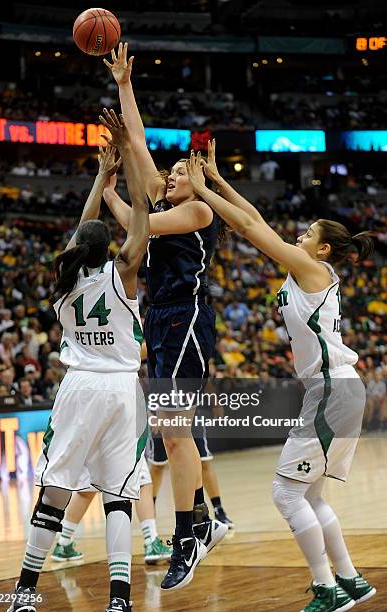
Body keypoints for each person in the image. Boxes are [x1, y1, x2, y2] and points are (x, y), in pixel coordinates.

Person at [185, 141, 376, 612]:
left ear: (323, 248)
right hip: (337, 389)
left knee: (285, 492)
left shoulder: (310, 267)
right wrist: (215, 177)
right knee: (308, 493)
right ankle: (350, 581)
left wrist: (201, 191)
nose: (299, 234)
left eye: (308, 232)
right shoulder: (307, 267)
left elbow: (250, 226)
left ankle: (326, 588)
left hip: (332, 389)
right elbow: (253, 215)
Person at [7, 112, 149, 612]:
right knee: (117, 496)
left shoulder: (63, 282)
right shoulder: (123, 275)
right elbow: (143, 216)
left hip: (79, 386)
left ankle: (24, 594)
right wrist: (130, 157)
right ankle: (120, 599)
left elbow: (77, 237)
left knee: (56, 490)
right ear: (107, 247)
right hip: (119, 391)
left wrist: (97, 180)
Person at [102, 43, 227, 591]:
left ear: (197, 181)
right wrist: (124, 84)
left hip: (187, 316)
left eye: (180, 170)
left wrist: (130, 185)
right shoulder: (159, 204)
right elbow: (137, 144)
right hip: (161, 319)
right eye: (170, 171)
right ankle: (200, 522)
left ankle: (188, 535)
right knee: (173, 434)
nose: (170, 175)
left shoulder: (199, 210)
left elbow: (142, 227)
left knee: (174, 434)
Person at [51, 457, 172, 565]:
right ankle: (151, 541)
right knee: (142, 484)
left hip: (93, 438)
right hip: (122, 438)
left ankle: (63, 542)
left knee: (88, 488)